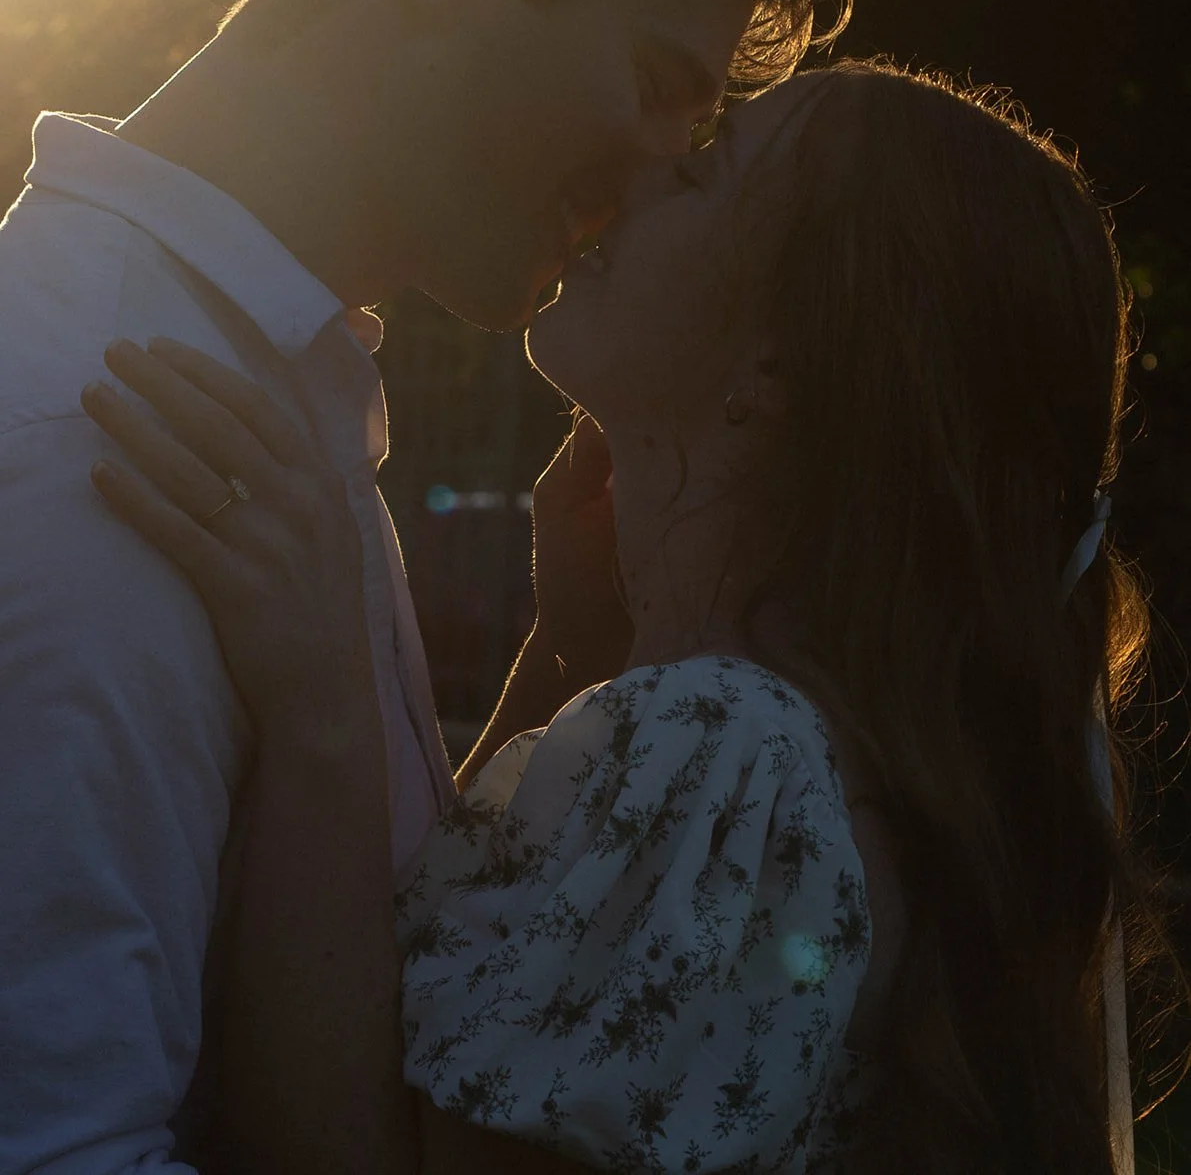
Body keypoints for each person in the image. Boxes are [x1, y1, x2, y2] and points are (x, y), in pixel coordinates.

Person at [0, 0, 844, 1174]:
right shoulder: (99, 437)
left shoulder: (260, 382)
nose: (665, 172)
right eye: (661, 84)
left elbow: (346, 989)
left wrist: (556, 657)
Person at [80, 60, 1190, 1174]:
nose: (634, 173)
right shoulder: (738, 743)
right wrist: (568, 652)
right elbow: (448, 1001)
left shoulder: (723, 750)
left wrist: (316, 696)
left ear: (774, 362)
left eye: (702, 167)